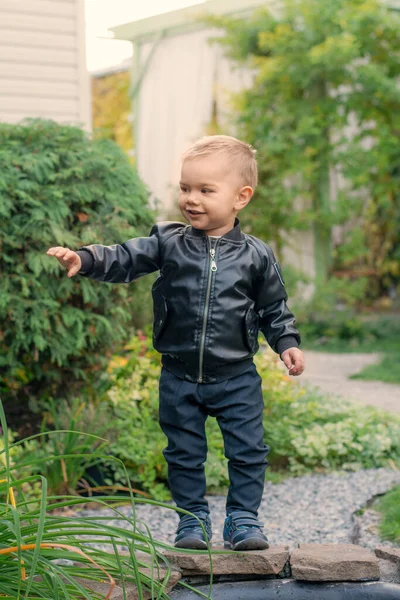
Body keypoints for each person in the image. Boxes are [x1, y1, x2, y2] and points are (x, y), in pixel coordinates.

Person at [47, 135, 305, 551]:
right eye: (186, 188)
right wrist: (87, 258)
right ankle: (191, 522)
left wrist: (287, 342)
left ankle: (242, 519)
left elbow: (274, 308)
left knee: (248, 451)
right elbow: (126, 257)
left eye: (206, 190)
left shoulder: (256, 255)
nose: (192, 199)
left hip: (236, 376)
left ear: (241, 197)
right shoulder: (169, 242)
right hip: (179, 375)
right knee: (183, 454)